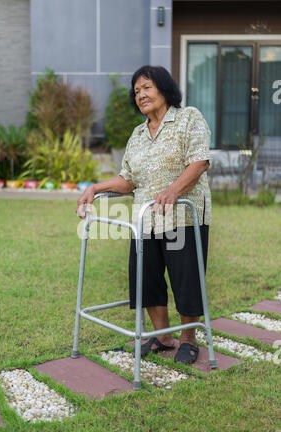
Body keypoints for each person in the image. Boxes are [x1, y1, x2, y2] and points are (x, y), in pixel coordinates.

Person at [76, 65, 211, 365]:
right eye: (136, 91)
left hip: (182, 218)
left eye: (147, 87)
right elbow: (128, 180)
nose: (141, 95)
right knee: (146, 279)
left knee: (185, 279)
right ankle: (163, 337)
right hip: (145, 221)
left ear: (164, 88)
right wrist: (94, 188)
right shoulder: (138, 134)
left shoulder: (189, 118)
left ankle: (188, 338)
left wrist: (173, 191)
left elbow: (199, 162)